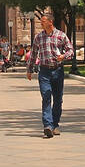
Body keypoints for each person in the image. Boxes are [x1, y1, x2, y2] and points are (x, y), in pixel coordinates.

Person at [27, 10, 74, 138]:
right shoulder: (38, 37)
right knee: (46, 96)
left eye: (43, 21)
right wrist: (29, 69)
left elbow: (71, 50)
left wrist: (63, 56)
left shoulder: (61, 35)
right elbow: (33, 54)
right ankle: (47, 125)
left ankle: (55, 124)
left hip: (58, 70)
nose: (41, 23)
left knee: (58, 99)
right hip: (44, 71)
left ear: (50, 22)